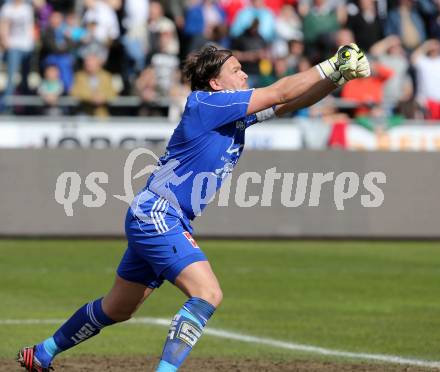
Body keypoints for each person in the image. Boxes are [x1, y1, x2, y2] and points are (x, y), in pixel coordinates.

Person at [17, 44, 370, 372]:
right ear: (216, 83)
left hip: (157, 214)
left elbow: (291, 102)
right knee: (208, 293)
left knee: (118, 307)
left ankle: (44, 352)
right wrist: (330, 64)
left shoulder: (230, 114)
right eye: (236, 70)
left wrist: (337, 78)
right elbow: (279, 92)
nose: (244, 75)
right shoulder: (208, 104)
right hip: (160, 214)